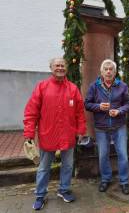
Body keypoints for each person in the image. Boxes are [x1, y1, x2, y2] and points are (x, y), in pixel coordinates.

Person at [23, 57, 86, 210]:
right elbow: (31, 112)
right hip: (48, 135)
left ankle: (64, 190)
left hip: (68, 136)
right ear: (51, 68)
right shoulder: (42, 87)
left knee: (68, 165)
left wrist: (81, 131)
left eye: (62, 65)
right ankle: (40, 195)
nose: (60, 68)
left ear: (66, 68)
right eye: (57, 65)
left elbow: (80, 113)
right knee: (44, 167)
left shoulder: (73, 89)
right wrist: (29, 134)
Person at [84, 59, 129, 195]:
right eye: (106, 69)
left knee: (123, 155)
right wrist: (98, 106)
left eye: (111, 69)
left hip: (119, 126)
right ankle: (105, 179)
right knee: (103, 155)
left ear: (115, 72)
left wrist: (119, 111)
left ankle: (124, 181)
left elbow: (128, 103)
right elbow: (87, 104)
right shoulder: (94, 86)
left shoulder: (122, 86)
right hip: (101, 127)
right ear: (101, 72)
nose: (108, 71)